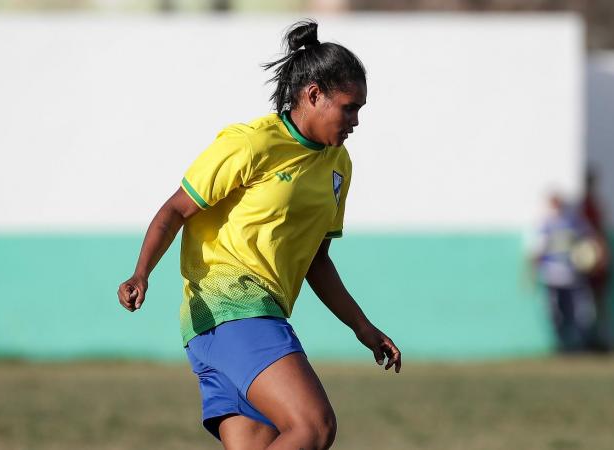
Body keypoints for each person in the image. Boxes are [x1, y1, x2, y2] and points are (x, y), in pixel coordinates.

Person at [116, 20, 401, 450]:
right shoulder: (251, 144)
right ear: (313, 95)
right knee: (314, 426)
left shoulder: (339, 165)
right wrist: (142, 273)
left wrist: (361, 327)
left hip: (243, 323)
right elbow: (176, 208)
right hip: (229, 308)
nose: (356, 121)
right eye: (349, 107)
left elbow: (316, 260)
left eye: (361, 109)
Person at [530, 192, 598, 353]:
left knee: (578, 312)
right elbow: (537, 251)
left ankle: (580, 344)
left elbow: (589, 241)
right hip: (551, 276)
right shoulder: (545, 224)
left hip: (572, 275)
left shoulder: (573, 221)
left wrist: (591, 260)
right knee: (555, 313)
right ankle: (562, 345)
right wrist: (532, 273)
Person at [580, 167, 614, 352]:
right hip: (588, 264)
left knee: (599, 304)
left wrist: (604, 258)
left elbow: (600, 234)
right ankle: (593, 340)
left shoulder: (593, 205)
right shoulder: (584, 207)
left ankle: (603, 340)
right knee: (588, 305)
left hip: (597, 264)